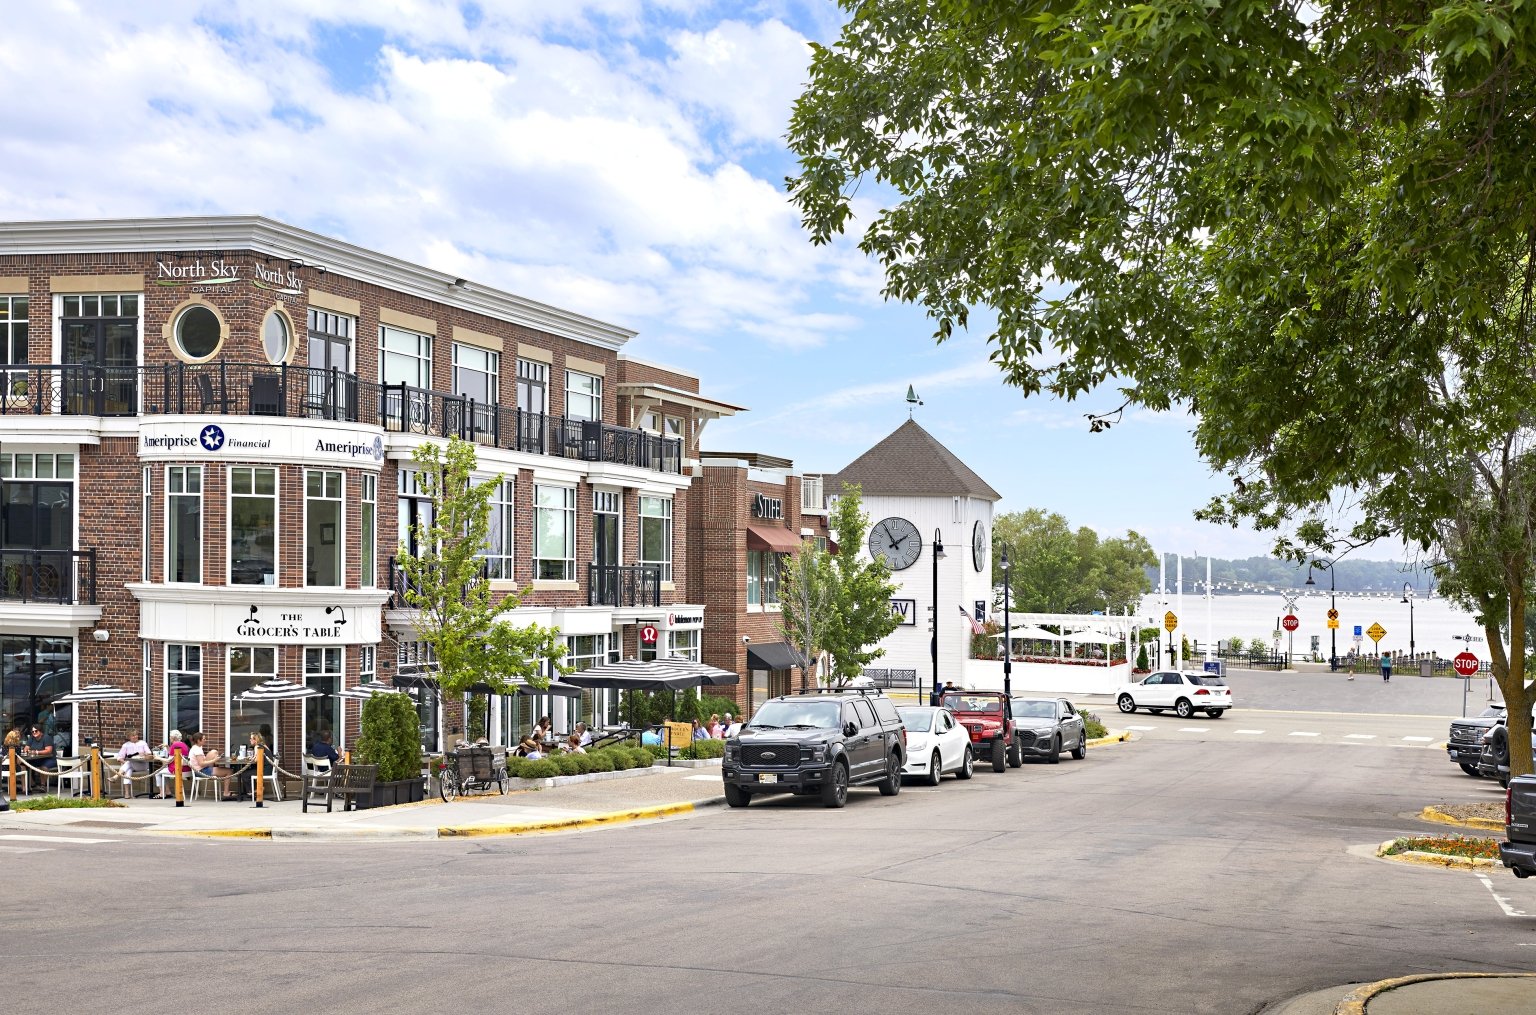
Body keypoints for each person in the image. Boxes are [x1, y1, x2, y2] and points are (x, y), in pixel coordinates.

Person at [116, 728, 151, 795]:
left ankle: (117, 775)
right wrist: (125, 763)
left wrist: (144, 754)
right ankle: (127, 793)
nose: (135, 737)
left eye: (136, 735)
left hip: (142, 765)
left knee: (129, 763)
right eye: (133, 735)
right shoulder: (126, 745)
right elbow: (119, 757)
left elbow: (149, 753)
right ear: (129, 737)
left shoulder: (143, 743)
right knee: (128, 770)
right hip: (131, 766)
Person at [156, 729, 189, 798]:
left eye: (170, 737)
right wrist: (168, 747)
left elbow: (169, 760)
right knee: (163, 772)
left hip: (177, 769)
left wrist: (157, 757)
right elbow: (173, 755)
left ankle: (162, 793)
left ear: (173, 738)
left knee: (157, 773)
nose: (169, 738)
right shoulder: (183, 744)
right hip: (186, 769)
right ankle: (167, 791)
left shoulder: (174, 745)